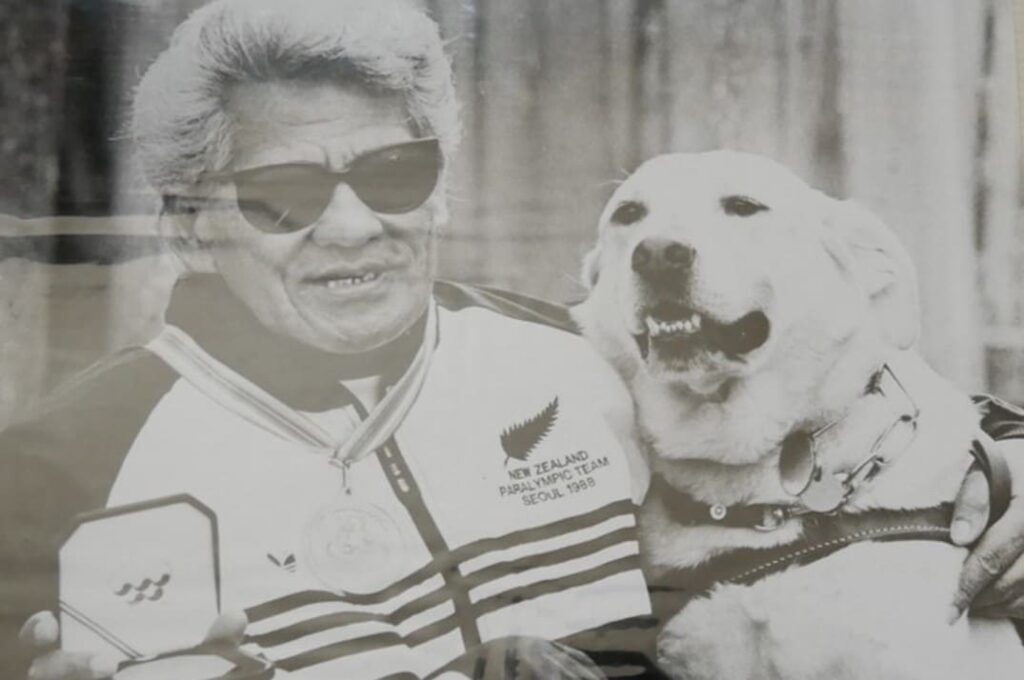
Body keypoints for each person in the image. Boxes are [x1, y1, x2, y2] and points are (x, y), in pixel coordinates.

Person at [3, 1, 1024, 679]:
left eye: (394, 174)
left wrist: (1012, 455)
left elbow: (862, 408)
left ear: (440, 188)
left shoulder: (578, 356)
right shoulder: (60, 470)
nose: (355, 226)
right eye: (284, 192)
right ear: (188, 224)